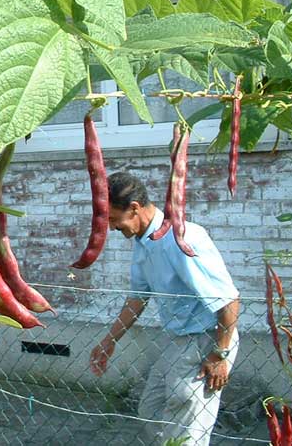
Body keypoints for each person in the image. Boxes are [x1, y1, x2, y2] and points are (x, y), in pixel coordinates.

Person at [88, 171, 240, 446]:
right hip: (179, 341)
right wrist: (108, 341)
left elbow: (229, 300)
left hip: (209, 338)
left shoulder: (182, 240)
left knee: (186, 424)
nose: (110, 227)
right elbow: (137, 299)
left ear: (134, 208)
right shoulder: (143, 243)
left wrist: (220, 354)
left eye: (112, 218)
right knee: (151, 410)